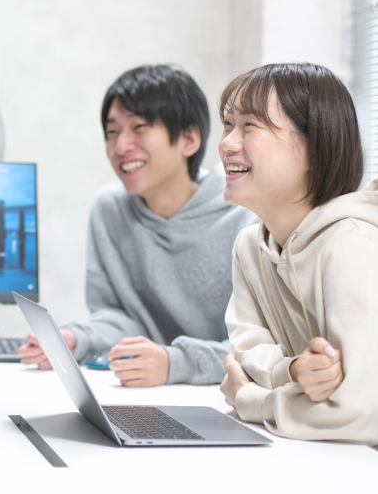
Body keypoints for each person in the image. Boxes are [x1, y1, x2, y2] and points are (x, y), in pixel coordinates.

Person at [19, 64, 256, 386]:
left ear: (189, 139)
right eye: (112, 132)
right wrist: (77, 339)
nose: (120, 146)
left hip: (225, 395)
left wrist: (176, 363)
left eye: (139, 127)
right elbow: (119, 316)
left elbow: (260, 345)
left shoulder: (246, 213)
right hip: (143, 390)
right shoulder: (110, 209)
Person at [219, 62, 376, 443]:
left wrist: (249, 399)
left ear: (313, 148)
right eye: (228, 124)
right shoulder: (249, 246)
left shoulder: (351, 245)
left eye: (250, 126)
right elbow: (245, 358)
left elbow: (358, 414)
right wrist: (290, 372)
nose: (227, 143)